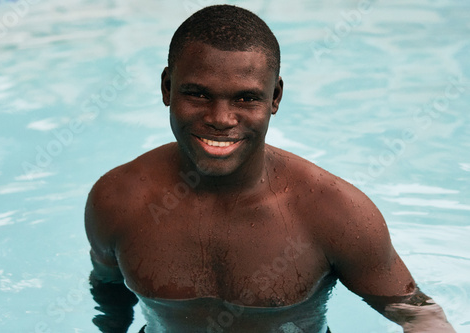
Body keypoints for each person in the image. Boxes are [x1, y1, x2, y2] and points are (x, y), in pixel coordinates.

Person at [85, 5, 455, 333]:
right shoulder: (118, 200)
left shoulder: (335, 213)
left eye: (246, 98)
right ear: (167, 87)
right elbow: (108, 291)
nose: (221, 119)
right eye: (198, 94)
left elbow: (418, 317)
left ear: (275, 97)